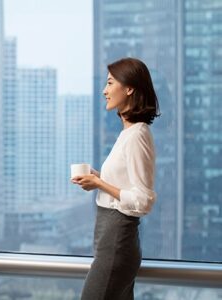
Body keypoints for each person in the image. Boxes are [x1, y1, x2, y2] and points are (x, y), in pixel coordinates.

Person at [71, 57, 161, 300]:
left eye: (110, 83)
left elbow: (143, 200)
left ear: (129, 88)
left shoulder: (136, 136)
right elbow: (124, 186)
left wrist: (100, 184)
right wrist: (98, 178)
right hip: (111, 242)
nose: (104, 90)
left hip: (117, 243)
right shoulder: (128, 134)